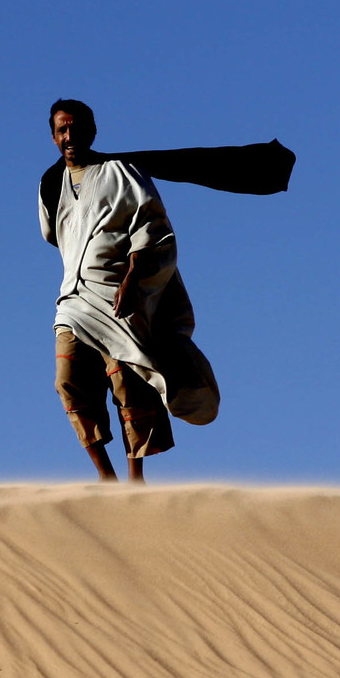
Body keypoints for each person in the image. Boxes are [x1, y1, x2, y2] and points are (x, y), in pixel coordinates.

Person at [42, 98, 216, 483]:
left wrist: (134, 278)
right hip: (73, 301)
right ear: (53, 136)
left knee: (127, 380)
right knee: (67, 380)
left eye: (76, 128)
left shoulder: (121, 173)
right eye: (61, 130)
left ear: (92, 131)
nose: (69, 137)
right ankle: (106, 477)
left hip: (119, 296)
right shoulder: (50, 183)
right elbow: (55, 235)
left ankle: (135, 477)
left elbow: (152, 227)